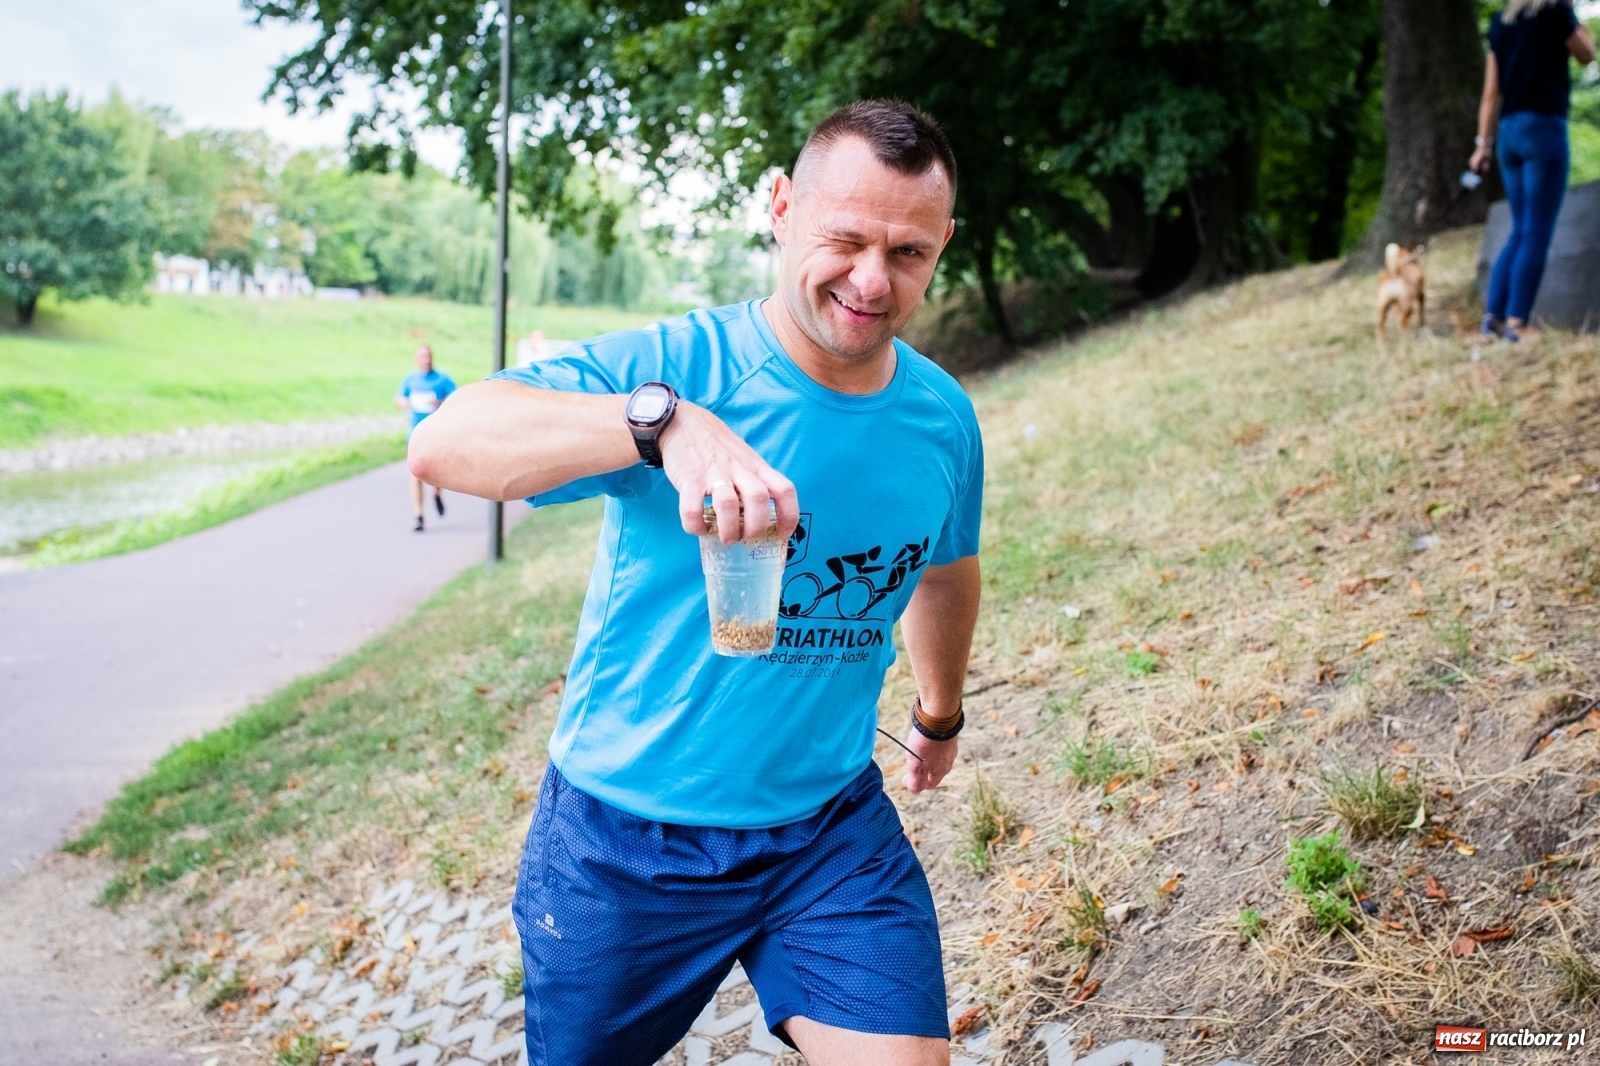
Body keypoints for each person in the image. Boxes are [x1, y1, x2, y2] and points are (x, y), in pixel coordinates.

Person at [409, 100, 983, 1066]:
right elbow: (445, 442)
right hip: (626, 838)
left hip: (828, 831)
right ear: (781, 205)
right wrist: (660, 423)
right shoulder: (676, 366)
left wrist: (940, 714)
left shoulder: (942, 418)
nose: (872, 280)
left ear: (943, 245)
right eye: (845, 239)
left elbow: (943, 573)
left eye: (910, 253)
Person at [1471, 0, 1596, 343]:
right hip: (1542, 128)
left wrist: (1482, 144)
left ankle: (1492, 321)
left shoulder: (1500, 22)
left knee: (1520, 230)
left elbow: (1491, 92)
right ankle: (1516, 325)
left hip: (1508, 133)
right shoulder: (1554, 12)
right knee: (1536, 232)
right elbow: (1586, 54)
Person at [395, 345, 456, 531]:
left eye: (428, 356)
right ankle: (418, 515)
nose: (425, 359)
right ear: (417, 359)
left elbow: (456, 398)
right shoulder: (411, 379)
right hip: (415, 432)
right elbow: (399, 398)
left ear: (432, 357)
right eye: (421, 356)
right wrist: (405, 403)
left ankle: (436, 492)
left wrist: (440, 403)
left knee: (436, 471)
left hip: (436, 433)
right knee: (415, 472)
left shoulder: (442, 378)